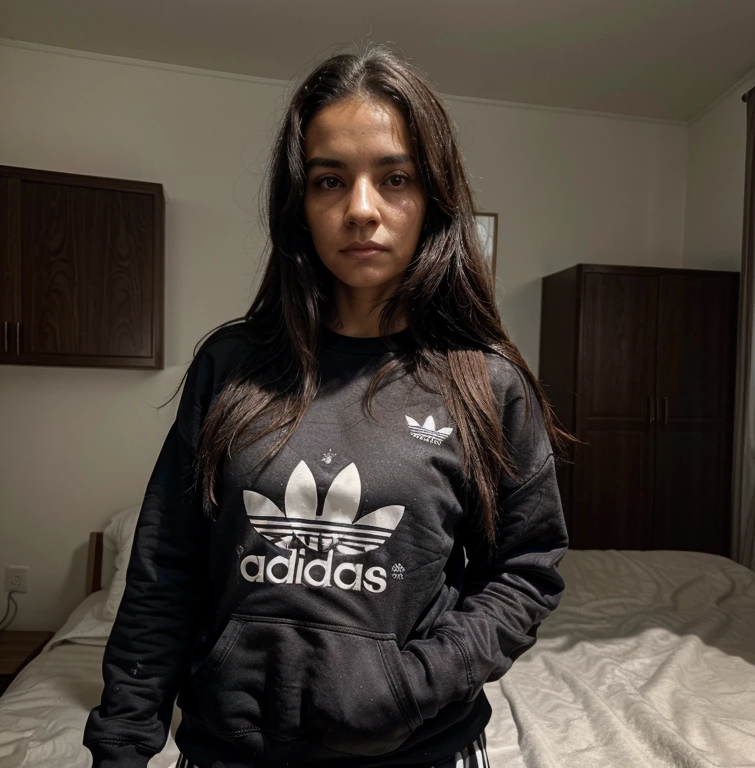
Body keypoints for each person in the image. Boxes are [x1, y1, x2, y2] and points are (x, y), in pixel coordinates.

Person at [83, 41, 571, 768]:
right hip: (231, 749)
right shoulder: (230, 366)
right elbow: (164, 569)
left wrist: (413, 684)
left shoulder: (486, 382)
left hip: (418, 750)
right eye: (329, 181)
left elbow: (526, 570)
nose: (361, 209)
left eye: (395, 177)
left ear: (432, 195)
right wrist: (121, 745)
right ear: (299, 203)